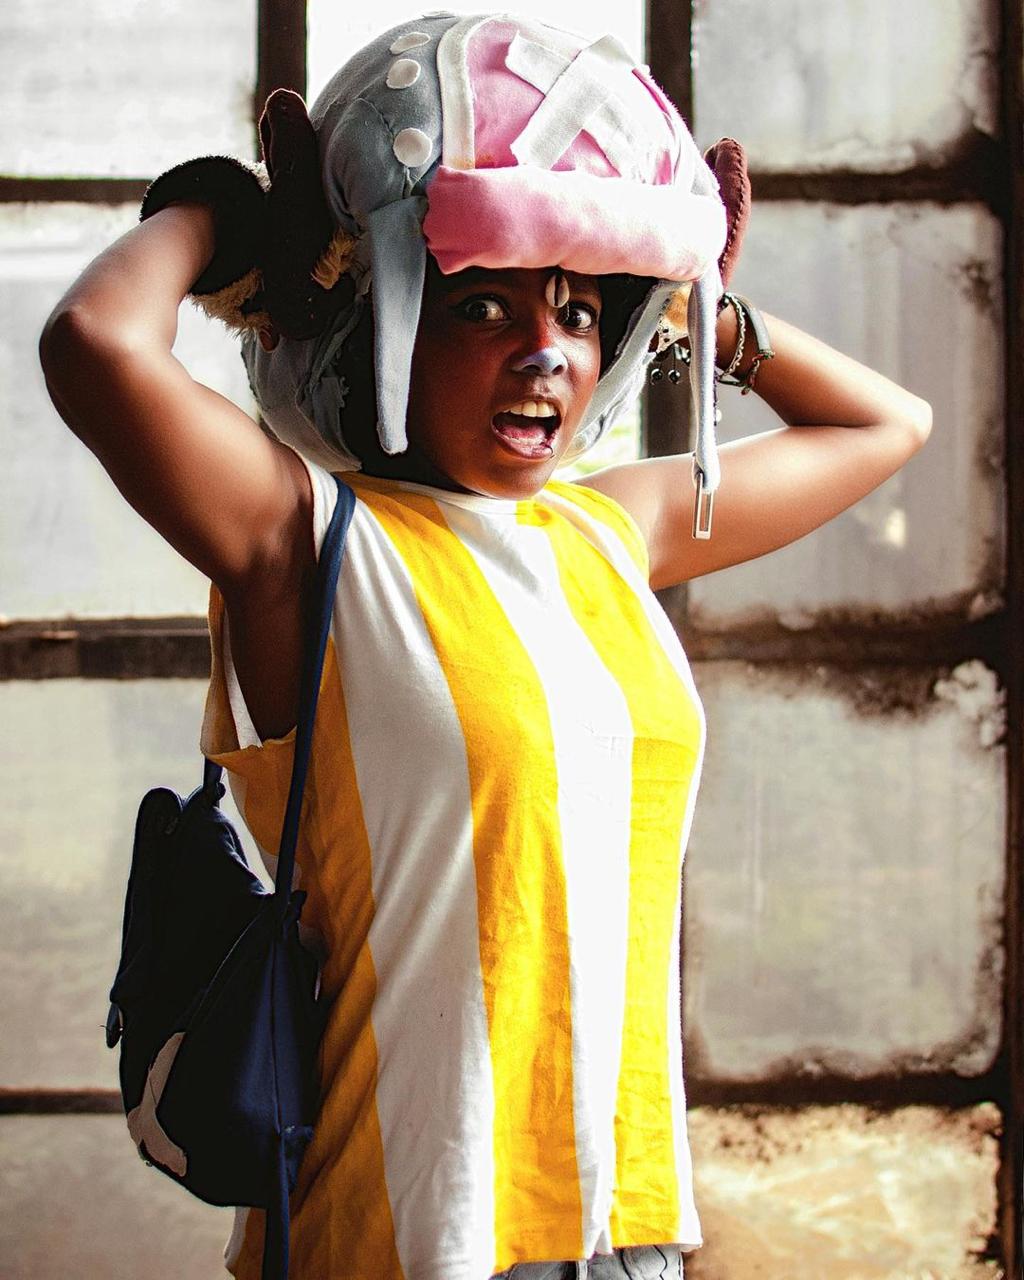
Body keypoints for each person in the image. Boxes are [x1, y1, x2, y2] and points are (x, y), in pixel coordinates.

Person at [38, 13, 931, 1280]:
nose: (544, 353)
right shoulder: (312, 539)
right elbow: (95, 345)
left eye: (579, 313)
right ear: (389, 314)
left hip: (622, 1226)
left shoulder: (602, 528)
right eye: (483, 305)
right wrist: (226, 227)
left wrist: (693, 306)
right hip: (399, 1229)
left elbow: (889, 424)